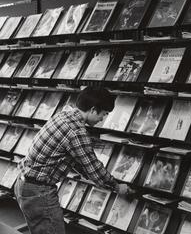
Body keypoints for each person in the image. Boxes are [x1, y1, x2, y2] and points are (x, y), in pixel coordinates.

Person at [14, 86, 133, 234]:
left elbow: (77, 160)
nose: (102, 119)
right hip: (39, 192)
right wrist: (116, 186)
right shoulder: (76, 131)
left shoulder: (63, 115)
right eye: (103, 114)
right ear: (93, 109)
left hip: (24, 183)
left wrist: (91, 175)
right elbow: (93, 167)